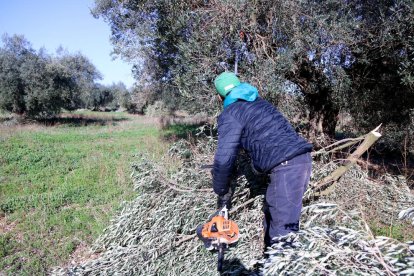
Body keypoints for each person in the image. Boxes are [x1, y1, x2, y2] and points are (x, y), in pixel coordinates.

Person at [212, 71, 313, 248]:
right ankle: (269, 263)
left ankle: (286, 267)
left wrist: (221, 189)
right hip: (300, 161)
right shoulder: (260, 103)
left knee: (283, 236)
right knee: (274, 219)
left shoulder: (231, 113)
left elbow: (224, 157)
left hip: (287, 167)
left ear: (220, 97)